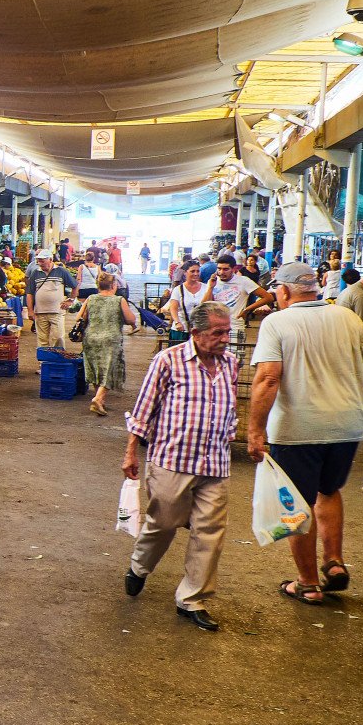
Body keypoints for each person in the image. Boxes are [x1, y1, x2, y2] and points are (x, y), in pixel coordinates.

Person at [247, 261, 363, 606]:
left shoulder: (277, 322)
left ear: (284, 292)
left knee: (294, 505)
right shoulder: (346, 316)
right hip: (348, 425)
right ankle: (333, 562)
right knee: (328, 490)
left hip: (299, 429)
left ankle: (308, 583)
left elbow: (268, 378)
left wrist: (255, 430)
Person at [122, 301, 237, 631]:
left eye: (227, 332)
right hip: (173, 460)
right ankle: (139, 566)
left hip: (215, 462)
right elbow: (143, 412)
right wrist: (131, 453)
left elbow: (228, 408)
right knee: (163, 523)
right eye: (218, 333)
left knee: (210, 531)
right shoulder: (168, 361)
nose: (225, 339)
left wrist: (231, 434)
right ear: (196, 333)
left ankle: (192, 598)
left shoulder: (230, 363)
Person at [75, 272, 137, 416]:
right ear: (114, 285)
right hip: (111, 339)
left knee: (96, 369)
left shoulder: (91, 298)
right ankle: (97, 398)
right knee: (110, 370)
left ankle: (100, 401)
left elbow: (79, 318)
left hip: (91, 339)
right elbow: (131, 319)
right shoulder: (119, 300)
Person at [201, 253, 271, 335]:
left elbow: (268, 297)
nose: (221, 272)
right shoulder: (213, 282)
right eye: (219, 269)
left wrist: (247, 310)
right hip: (215, 327)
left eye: (225, 269)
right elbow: (204, 306)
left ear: (234, 269)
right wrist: (210, 288)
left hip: (235, 327)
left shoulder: (243, 281)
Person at [27, 250, 76, 350]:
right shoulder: (35, 273)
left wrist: (70, 300)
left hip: (57, 311)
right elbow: (29, 293)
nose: (40, 263)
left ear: (50, 259)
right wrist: (30, 311)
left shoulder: (62, 271)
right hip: (40, 312)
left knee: (58, 338)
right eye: (39, 261)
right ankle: (44, 363)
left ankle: (57, 361)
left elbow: (74, 286)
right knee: (42, 340)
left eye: (42, 261)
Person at [165, 261, 208, 331]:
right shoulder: (178, 290)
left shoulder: (206, 288)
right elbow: (173, 308)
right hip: (181, 329)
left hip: (200, 330)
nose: (196, 274)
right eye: (192, 271)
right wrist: (177, 322)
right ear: (185, 272)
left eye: (198, 271)